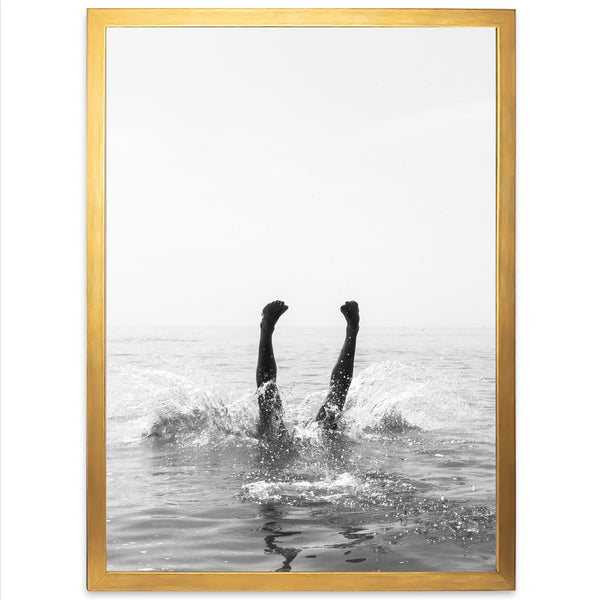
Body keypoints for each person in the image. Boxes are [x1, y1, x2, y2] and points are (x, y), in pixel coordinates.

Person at [256, 300, 360, 437]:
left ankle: (352, 330)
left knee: (331, 411)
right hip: (299, 446)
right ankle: (266, 328)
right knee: (268, 393)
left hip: (298, 445)